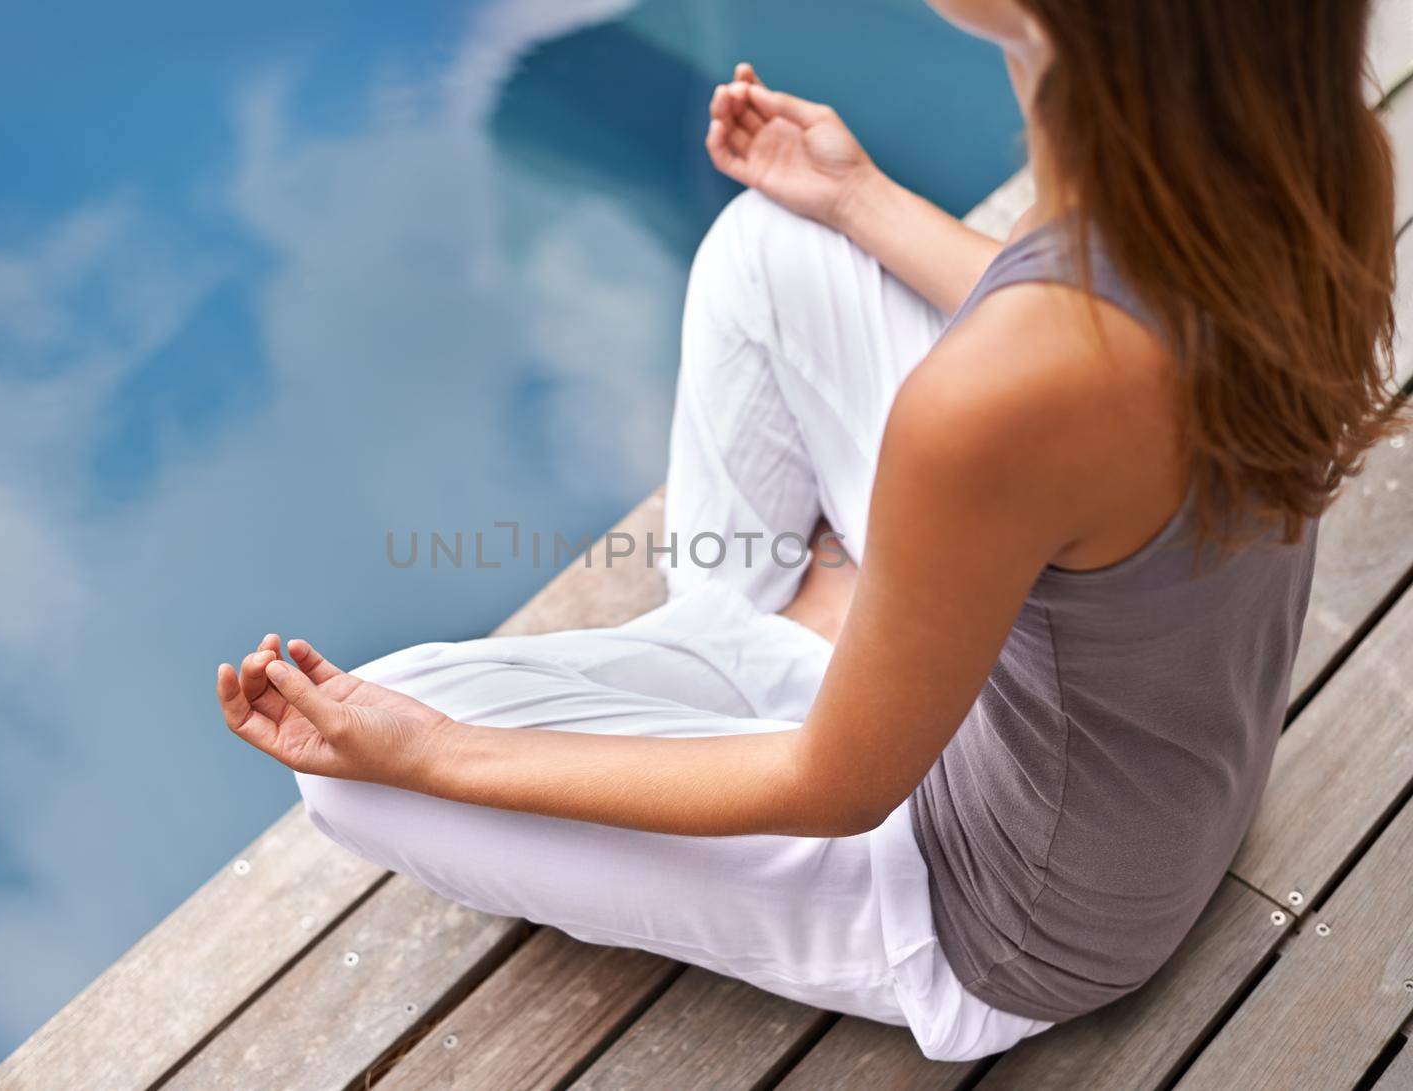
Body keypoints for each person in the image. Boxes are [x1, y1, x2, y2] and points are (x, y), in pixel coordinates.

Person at [214, 0, 1400, 1060]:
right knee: (775, 244)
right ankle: (782, 641)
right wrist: (857, 196)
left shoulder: (1000, 401)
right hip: (1147, 773)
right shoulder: (1317, 158)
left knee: (362, 781)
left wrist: (433, 754)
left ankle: (791, 650)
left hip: (1006, 907)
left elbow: (837, 785)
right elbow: (1103, 356)